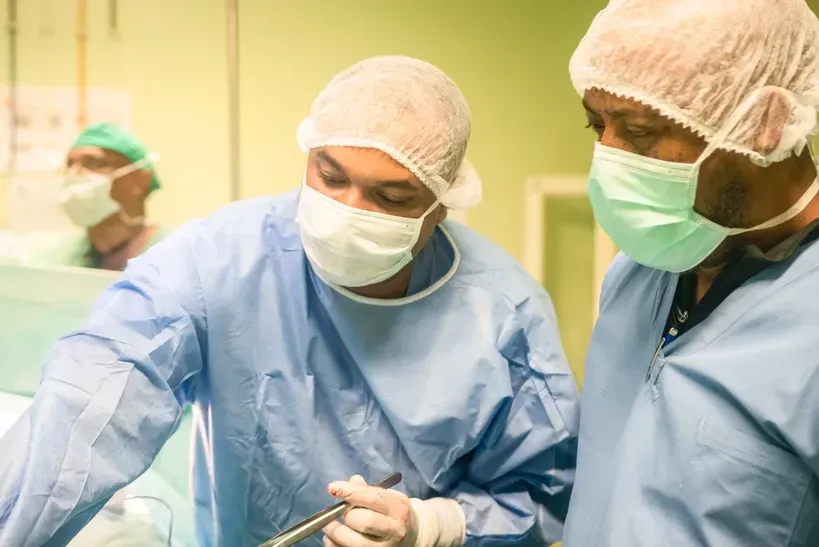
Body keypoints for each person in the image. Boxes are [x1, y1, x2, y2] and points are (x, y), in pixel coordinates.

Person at [0, 56, 580, 547]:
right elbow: (90, 401)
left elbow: (542, 495)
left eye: (390, 197)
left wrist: (430, 526)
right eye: (331, 176)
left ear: (442, 203)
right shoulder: (217, 262)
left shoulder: (503, 314)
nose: (350, 211)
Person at [562, 1, 819, 546]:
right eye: (597, 125)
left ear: (765, 123)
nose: (607, 157)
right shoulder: (637, 273)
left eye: (640, 131)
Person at [35, 123, 166, 271]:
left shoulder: (174, 259)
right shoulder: (52, 262)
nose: (74, 174)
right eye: (69, 165)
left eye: (92, 163)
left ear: (140, 179)